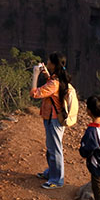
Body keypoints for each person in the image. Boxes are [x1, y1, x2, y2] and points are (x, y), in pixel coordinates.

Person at [29, 52, 70, 189]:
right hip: (50, 118)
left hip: (54, 120)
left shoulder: (54, 83)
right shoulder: (57, 78)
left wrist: (35, 74)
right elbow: (52, 83)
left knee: (55, 149)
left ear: (53, 64)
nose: (46, 61)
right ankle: (51, 173)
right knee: (51, 148)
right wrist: (46, 74)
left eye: (48, 61)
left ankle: (57, 180)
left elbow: (35, 93)